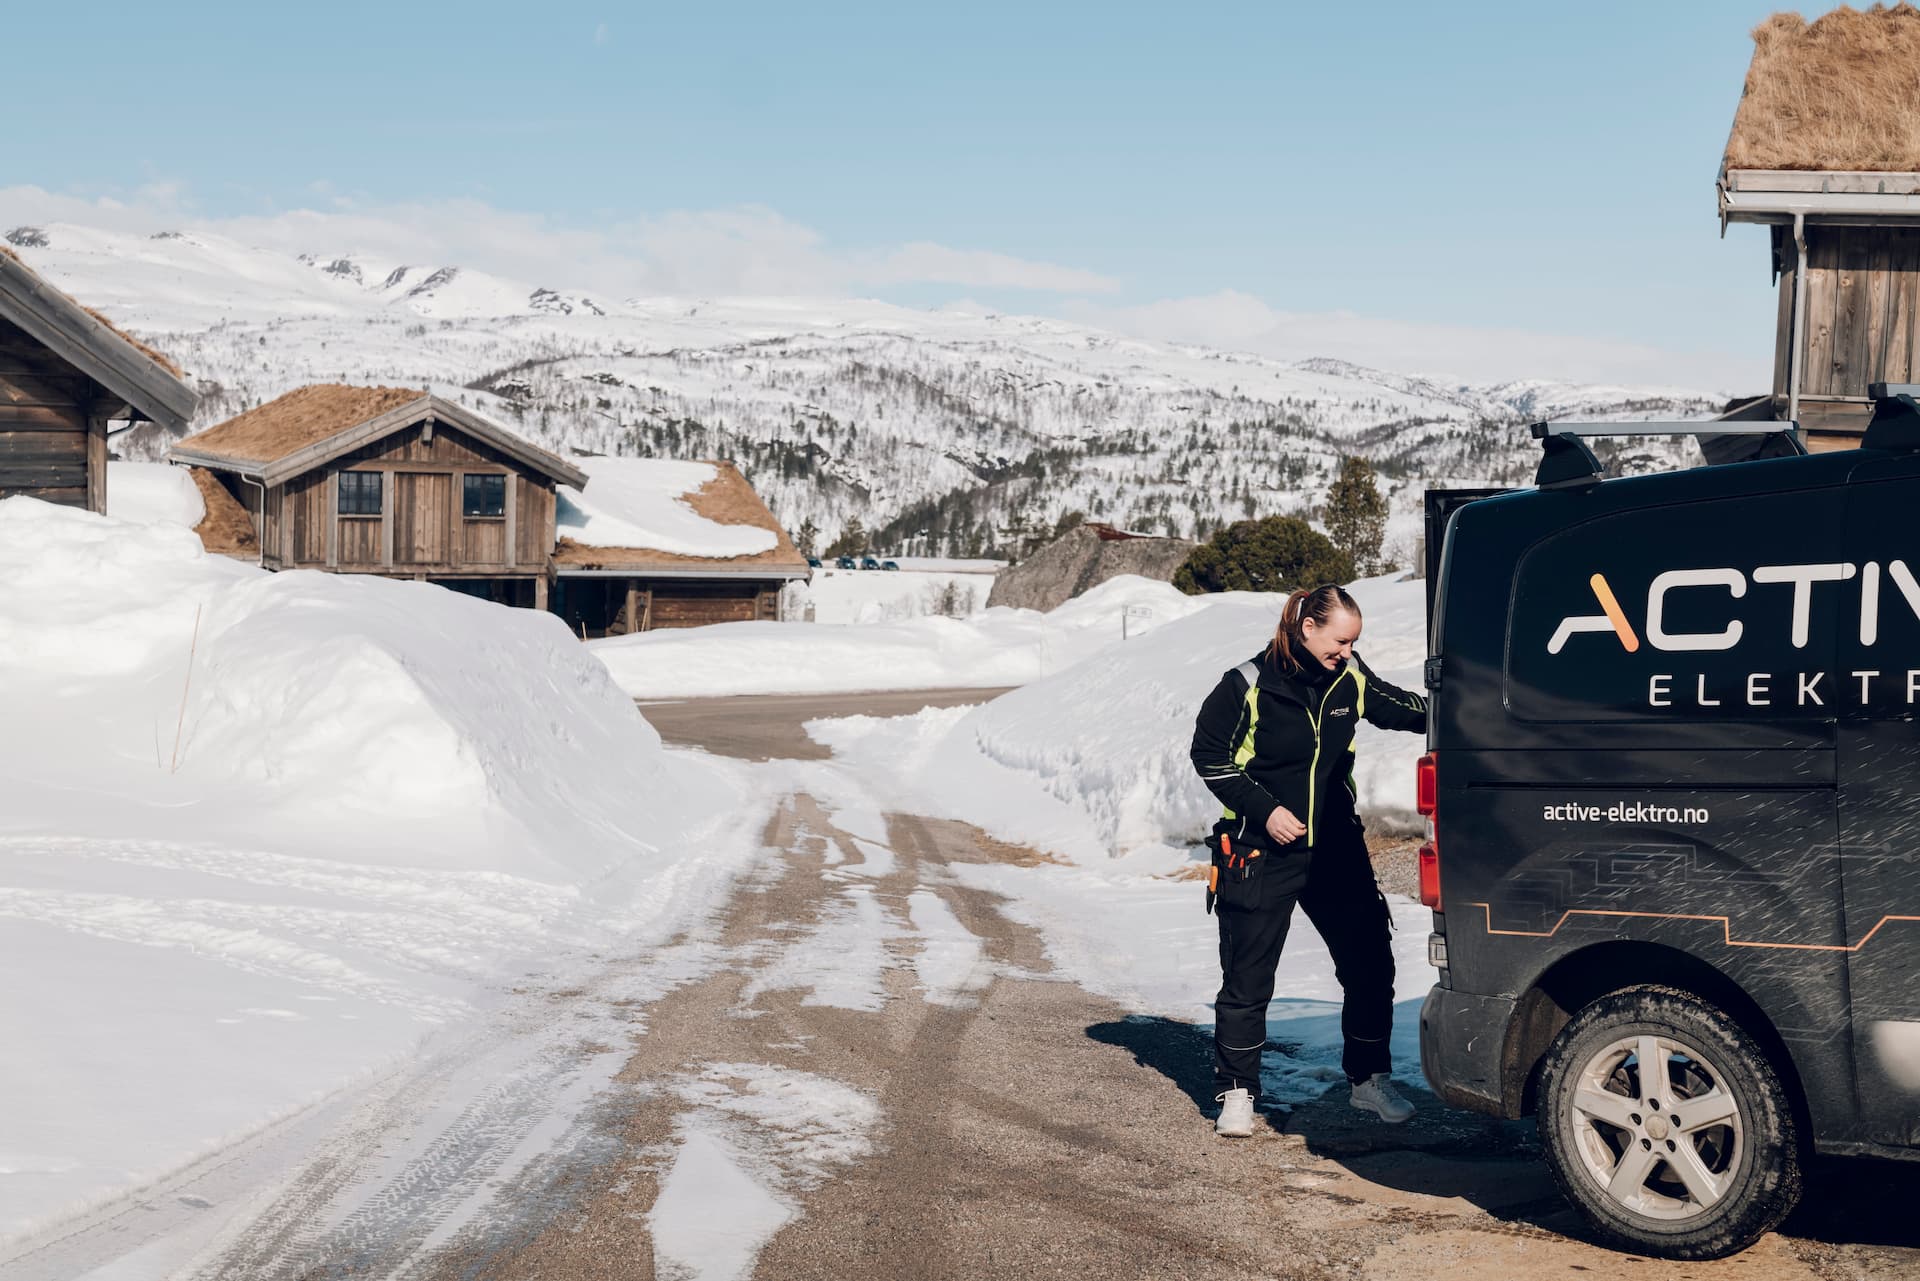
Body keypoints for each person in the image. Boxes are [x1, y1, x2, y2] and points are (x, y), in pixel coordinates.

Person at [1188, 583, 1428, 1137]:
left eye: (1354, 642)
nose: (1347, 651)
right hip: (1260, 848)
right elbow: (1210, 756)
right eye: (1340, 640)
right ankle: (1239, 1092)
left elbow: (1402, 708)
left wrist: (1462, 708)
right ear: (1307, 627)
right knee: (1249, 977)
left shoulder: (1349, 677)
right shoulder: (1246, 685)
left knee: (1370, 962)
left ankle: (1367, 1081)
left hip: (1335, 847)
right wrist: (1265, 809)